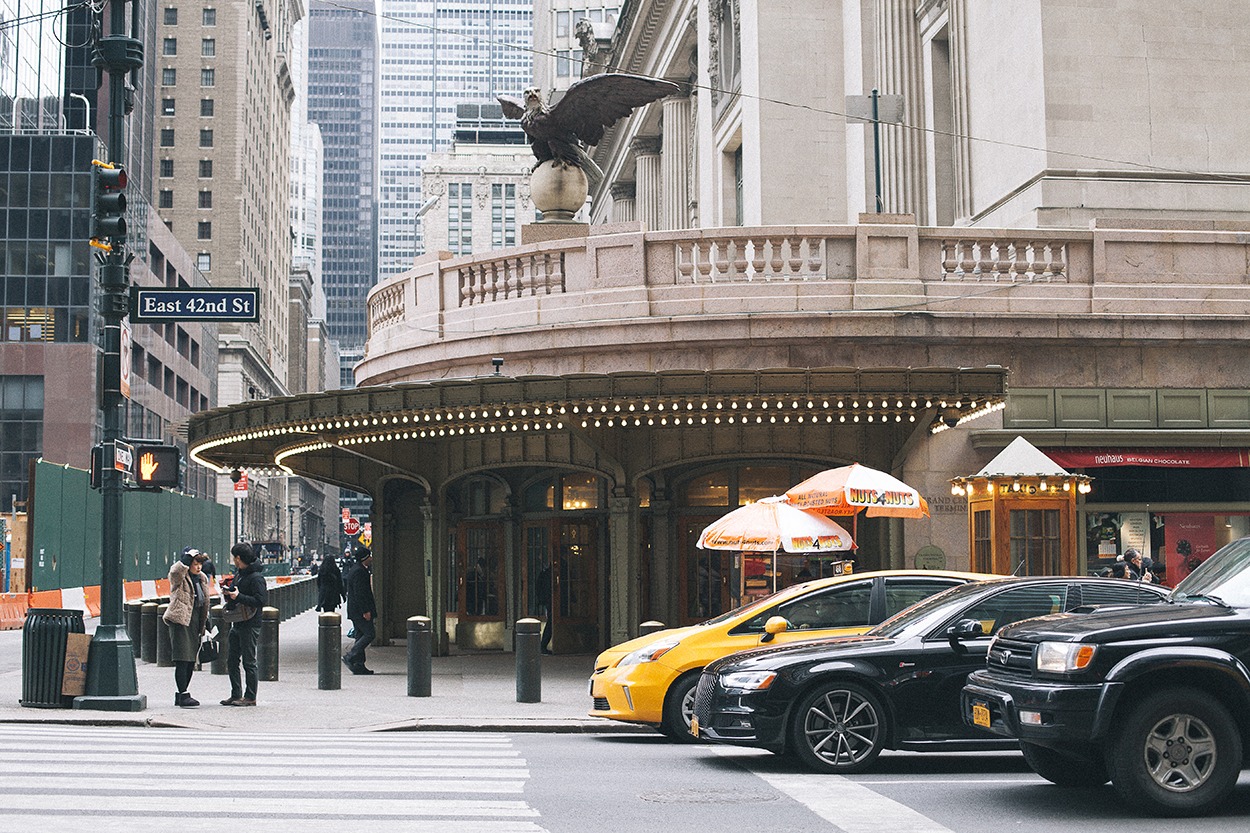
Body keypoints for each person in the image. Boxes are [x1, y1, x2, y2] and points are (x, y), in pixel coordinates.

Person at [220, 542, 268, 706]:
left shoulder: (256, 578)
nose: (233, 560)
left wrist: (238, 597)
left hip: (251, 622)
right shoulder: (239, 574)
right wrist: (228, 591)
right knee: (232, 660)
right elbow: (235, 591)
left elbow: (261, 601)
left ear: (238, 558)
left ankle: (250, 696)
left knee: (249, 661)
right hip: (237, 621)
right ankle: (235, 693)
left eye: (234, 557)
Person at [163, 547, 211, 708]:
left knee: (191, 660)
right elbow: (175, 572)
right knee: (183, 658)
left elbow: (204, 601)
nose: (198, 567)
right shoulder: (180, 577)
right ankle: (183, 693)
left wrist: (206, 622)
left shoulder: (202, 578)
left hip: (196, 620)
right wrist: (185, 559)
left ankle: (182, 694)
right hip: (181, 620)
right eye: (195, 564)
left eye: (200, 564)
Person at [343, 545, 377, 674]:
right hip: (360, 611)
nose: (372, 558)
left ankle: (359, 665)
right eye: (370, 556)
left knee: (360, 635)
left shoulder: (357, 569)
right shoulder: (359, 571)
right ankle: (351, 655)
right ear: (365, 558)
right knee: (369, 634)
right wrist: (365, 610)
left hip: (355, 610)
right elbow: (360, 593)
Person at [537, 563, 553, 655]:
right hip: (551, 600)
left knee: (550, 622)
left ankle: (543, 646)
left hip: (548, 600)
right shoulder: (548, 572)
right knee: (551, 623)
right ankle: (543, 646)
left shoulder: (545, 572)